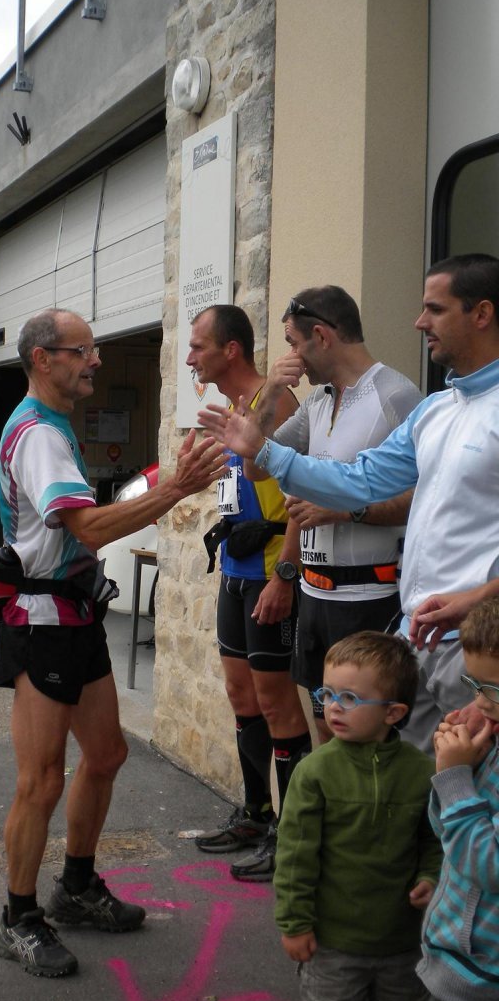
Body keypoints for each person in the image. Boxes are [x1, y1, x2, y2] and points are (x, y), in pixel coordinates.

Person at [0, 308, 226, 978]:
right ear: (43, 358)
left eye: (94, 348)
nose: (95, 359)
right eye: (83, 350)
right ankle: (17, 919)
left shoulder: (54, 423)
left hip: (74, 614)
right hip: (42, 621)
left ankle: (75, 888)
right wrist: (177, 488)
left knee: (106, 753)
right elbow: (89, 529)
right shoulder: (38, 434)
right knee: (40, 780)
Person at [198, 254, 499, 753]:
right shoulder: (436, 410)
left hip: (470, 639)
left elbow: (371, 498)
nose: (418, 322)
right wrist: (263, 448)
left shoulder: (402, 396)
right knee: (402, 778)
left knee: (467, 785)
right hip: (415, 633)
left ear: (482, 313)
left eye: (434, 309)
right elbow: (361, 478)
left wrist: (478, 598)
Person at [251, 286, 421, 742]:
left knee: (370, 740)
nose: (292, 357)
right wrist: (271, 390)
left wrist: (348, 511)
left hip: (371, 596)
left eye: (293, 343)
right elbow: (254, 466)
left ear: (322, 337)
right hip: (314, 595)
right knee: (327, 731)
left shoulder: (397, 395)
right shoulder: (318, 401)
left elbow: (426, 496)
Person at [186, 305, 311, 883]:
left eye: (198, 346)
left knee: (276, 701)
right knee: (241, 694)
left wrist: (286, 574)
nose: (191, 358)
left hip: (270, 568)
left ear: (230, 349)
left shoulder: (275, 402)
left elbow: (304, 492)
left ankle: (294, 834)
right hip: (236, 566)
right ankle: (257, 813)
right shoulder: (234, 407)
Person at [274, 631, 441, 1001]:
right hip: (333, 947)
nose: (333, 707)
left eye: (349, 698)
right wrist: (294, 923)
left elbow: (434, 839)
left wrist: (431, 877)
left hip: (405, 946)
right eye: (327, 694)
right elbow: (295, 856)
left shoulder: (421, 772)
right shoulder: (314, 772)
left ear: (393, 713)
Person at [418, 597, 499, 1001]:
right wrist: (458, 770)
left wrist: (454, 779)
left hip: (482, 981)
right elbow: (446, 831)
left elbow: (490, 866)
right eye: (474, 684)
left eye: (492, 689)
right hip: (453, 962)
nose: (479, 702)